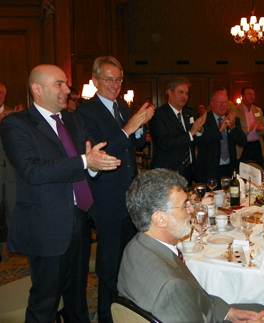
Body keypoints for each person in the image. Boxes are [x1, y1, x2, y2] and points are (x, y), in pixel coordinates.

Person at [1, 64, 121, 323]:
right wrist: (85, 162)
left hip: (78, 221)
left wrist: (94, 165)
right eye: (59, 84)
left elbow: (87, 162)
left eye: (66, 84)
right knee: (45, 301)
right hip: (46, 225)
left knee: (78, 296)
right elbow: (33, 171)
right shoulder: (16, 124)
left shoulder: (73, 120)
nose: (67, 89)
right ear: (37, 89)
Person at [117, 168, 264, 323]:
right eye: (185, 205)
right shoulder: (171, 286)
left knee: (256, 310)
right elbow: (180, 297)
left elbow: (194, 297)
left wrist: (228, 313)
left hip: (188, 312)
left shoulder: (135, 246)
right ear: (160, 219)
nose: (191, 210)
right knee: (263, 312)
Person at [76, 56, 154, 323]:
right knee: (109, 265)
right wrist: (130, 127)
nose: (115, 84)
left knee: (129, 260)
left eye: (118, 79)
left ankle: (128, 311)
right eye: (108, 79)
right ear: (95, 81)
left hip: (128, 195)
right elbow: (101, 153)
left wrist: (140, 126)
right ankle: (107, 316)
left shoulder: (121, 105)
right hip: (106, 198)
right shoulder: (86, 112)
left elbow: (135, 146)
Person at [150, 77, 206, 185]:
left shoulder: (189, 113)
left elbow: (196, 141)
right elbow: (164, 143)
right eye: (180, 92)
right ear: (169, 93)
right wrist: (191, 133)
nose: (184, 96)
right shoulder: (158, 115)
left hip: (188, 170)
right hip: (167, 172)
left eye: (186, 93)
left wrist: (199, 130)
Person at [195, 89, 247, 186]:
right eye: (219, 102)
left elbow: (243, 142)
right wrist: (219, 131)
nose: (222, 105)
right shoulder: (204, 120)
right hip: (209, 170)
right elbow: (199, 142)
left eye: (225, 103)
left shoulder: (233, 120)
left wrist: (232, 127)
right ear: (212, 103)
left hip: (229, 169)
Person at [232, 87, 264, 168]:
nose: (252, 96)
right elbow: (234, 130)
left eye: (253, 94)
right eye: (249, 94)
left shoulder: (258, 110)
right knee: (243, 172)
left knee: (258, 170)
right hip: (243, 146)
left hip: (257, 146)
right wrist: (249, 129)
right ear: (242, 96)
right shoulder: (235, 110)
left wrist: (260, 129)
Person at [0, 82, 16, 228]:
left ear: (4, 94)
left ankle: (14, 246)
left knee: (13, 210)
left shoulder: (15, 115)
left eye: (0, 92)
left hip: (11, 171)